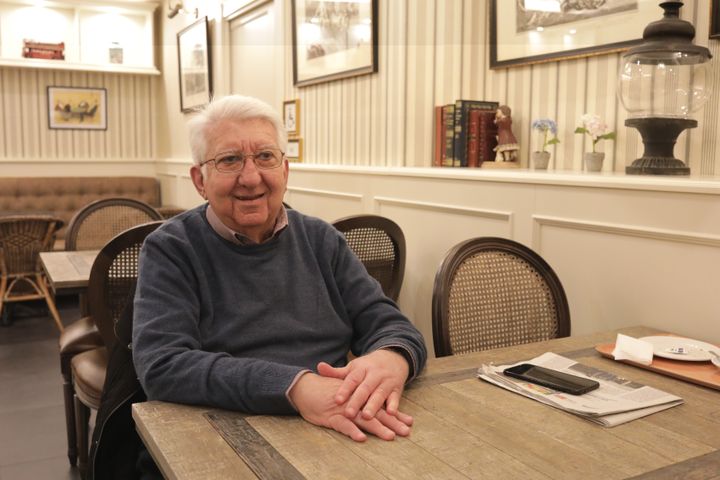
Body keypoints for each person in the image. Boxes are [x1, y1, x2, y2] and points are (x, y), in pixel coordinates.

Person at [132, 94, 427, 449]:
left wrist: (392, 356)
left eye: (265, 157)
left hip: (338, 426)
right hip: (218, 434)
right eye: (230, 160)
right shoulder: (172, 248)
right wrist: (295, 386)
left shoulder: (322, 239)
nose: (251, 177)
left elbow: (388, 323)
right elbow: (163, 365)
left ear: (284, 171)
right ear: (200, 180)